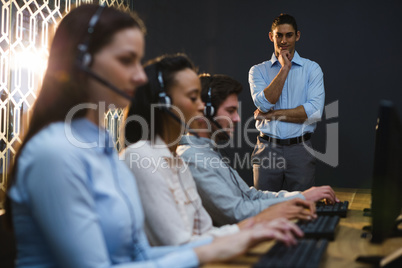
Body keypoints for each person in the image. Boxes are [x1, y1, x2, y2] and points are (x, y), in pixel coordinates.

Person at [4, 5, 301, 268]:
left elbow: (138, 255)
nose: (141, 76)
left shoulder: (102, 148)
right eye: (126, 60)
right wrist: (215, 248)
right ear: (82, 62)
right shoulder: (55, 153)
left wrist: (238, 237)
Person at [122, 54, 303, 247]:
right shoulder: (142, 156)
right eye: (193, 98)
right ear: (164, 105)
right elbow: (180, 246)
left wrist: (253, 229)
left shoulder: (178, 162)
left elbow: (204, 232)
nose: (201, 106)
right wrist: (252, 229)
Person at [177, 74, 338, 226]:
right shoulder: (192, 158)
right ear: (206, 112)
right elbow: (237, 213)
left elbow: (251, 196)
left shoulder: (209, 152)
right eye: (230, 111)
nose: (237, 118)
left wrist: (301, 197)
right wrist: (301, 197)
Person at [249, 13, 325, 191]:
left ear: (297, 35)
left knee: (301, 210)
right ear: (271, 36)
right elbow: (265, 104)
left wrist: (272, 115)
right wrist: (285, 68)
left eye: (289, 35)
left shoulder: (311, 69)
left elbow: (313, 112)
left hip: (300, 150)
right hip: (267, 149)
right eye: (279, 35)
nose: (284, 40)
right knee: (265, 210)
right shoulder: (257, 71)